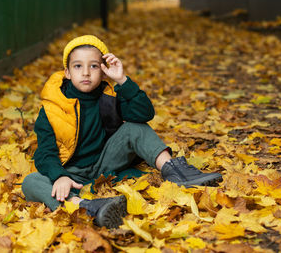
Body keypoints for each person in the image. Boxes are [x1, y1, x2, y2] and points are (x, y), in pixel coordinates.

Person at [22, 35, 222, 229]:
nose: (85, 73)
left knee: (135, 127)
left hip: (105, 163)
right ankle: (85, 207)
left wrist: (123, 80)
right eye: (78, 66)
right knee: (31, 182)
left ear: (103, 71)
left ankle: (175, 171)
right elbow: (45, 152)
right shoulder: (52, 108)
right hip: (70, 174)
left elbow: (144, 113)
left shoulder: (109, 97)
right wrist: (59, 177)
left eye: (93, 66)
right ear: (67, 72)